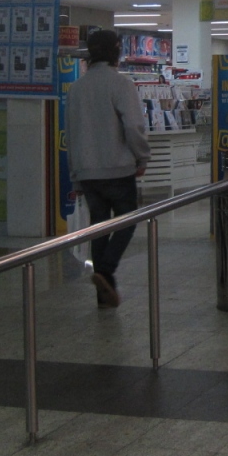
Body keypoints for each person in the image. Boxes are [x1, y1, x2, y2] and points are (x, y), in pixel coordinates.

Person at [66, 29, 150, 308]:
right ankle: (105, 270)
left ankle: (105, 294)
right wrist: (142, 157)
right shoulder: (121, 84)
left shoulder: (76, 88)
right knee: (127, 221)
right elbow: (134, 126)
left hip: (87, 171)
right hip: (118, 168)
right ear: (115, 51)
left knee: (99, 225)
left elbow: (71, 133)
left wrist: (75, 176)